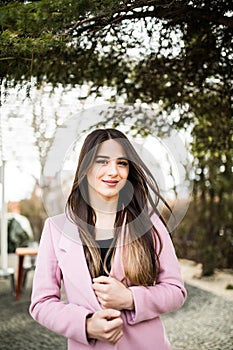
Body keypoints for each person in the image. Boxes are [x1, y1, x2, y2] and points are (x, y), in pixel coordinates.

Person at [29, 128, 187, 349]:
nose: (113, 171)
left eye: (122, 163)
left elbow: (176, 290)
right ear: (85, 167)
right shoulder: (56, 229)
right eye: (102, 161)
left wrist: (131, 298)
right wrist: (85, 324)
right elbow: (41, 303)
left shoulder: (149, 223)